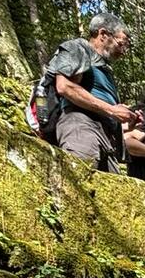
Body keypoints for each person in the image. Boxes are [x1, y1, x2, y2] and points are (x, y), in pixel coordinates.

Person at [46, 12, 135, 172]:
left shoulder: (104, 69)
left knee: (110, 186)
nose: (124, 51)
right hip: (81, 125)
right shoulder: (78, 48)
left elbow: (102, 102)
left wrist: (124, 116)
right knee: (82, 177)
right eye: (121, 43)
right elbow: (65, 86)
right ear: (103, 34)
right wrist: (112, 110)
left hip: (106, 137)